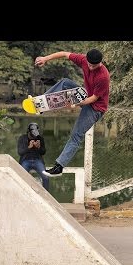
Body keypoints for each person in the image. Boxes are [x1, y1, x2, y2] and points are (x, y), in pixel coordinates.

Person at [34, 48, 110, 177]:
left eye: (94, 66)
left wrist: (74, 103)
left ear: (100, 63)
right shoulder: (82, 60)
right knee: (65, 82)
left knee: (76, 136)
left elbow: (94, 99)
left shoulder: (103, 76)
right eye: (89, 64)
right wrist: (45, 58)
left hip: (95, 108)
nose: (91, 67)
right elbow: (64, 54)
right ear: (86, 60)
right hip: (84, 95)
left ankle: (59, 167)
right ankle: (42, 105)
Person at [17, 123, 49, 191]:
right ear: (28, 132)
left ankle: (47, 195)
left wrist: (39, 147)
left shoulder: (40, 138)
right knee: (21, 177)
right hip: (25, 160)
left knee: (45, 177)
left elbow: (43, 152)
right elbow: (20, 152)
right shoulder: (22, 138)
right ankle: (22, 193)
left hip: (37, 160)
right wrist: (29, 147)